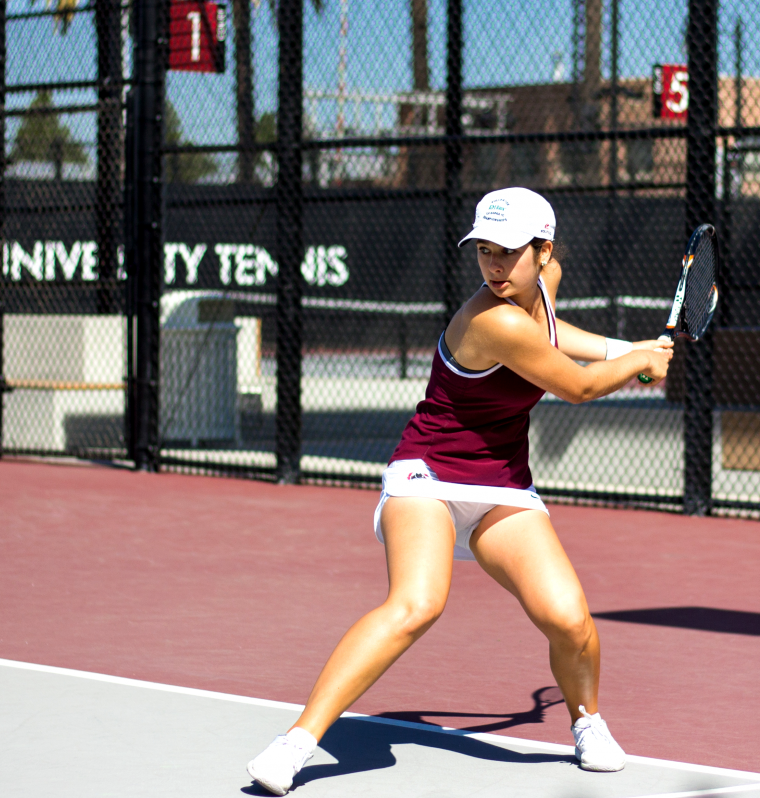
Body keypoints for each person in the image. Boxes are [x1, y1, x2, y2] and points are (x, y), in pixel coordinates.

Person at [246, 188, 674, 795]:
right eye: (484, 252)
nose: (494, 266)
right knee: (417, 605)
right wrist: (638, 362)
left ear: (542, 251)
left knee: (570, 620)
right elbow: (576, 388)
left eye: (507, 253)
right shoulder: (492, 319)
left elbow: (556, 329)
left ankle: (588, 722)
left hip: (502, 485)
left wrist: (619, 349)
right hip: (428, 476)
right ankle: (296, 744)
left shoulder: (544, 279)